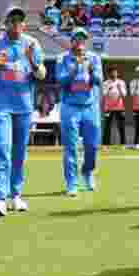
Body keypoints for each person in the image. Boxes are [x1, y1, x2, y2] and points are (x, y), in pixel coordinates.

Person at [0, 6, 46, 217]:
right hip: (0, 106)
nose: (16, 24)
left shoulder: (32, 43)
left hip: (24, 106)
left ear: (24, 24)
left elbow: (42, 74)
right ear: (5, 24)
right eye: (12, 20)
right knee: (3, 150)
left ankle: (15, 195)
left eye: (20, 20)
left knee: (19, 153)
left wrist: (31, 60)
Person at [57, 27, 103, 196]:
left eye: (83, 39)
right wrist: (74, 70)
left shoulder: (94, 58)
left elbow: (99, 81)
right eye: (77, 38)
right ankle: (72, 183)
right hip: (70, 107)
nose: (80, 41)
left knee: (92, 145)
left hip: (90, 107)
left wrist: (91, 72)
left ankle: (87, 171)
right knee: (71, 146)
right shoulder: (62, 58)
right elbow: (61, 81)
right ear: (72, 41)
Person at [102, 67, 128, 147]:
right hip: (108, 108)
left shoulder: (121, 82)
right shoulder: (106, 83)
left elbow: (124, 95)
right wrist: (108, 89)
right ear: (109, 74)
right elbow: (103, 94)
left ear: (117, 73)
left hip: (119, 107)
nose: (114, 74)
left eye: (115, 72)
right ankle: (106, 144)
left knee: (121, 126)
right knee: (107, 126)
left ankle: (123, 144)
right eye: (112, 72)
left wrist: (119, 88)